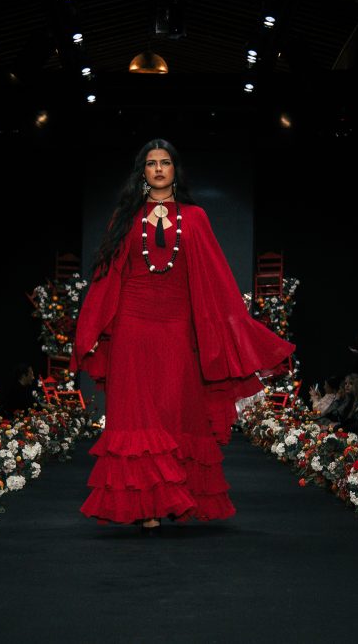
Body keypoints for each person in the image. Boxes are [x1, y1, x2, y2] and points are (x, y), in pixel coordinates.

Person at [71, 139, 294, 532]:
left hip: (177, 330)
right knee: (136, 417)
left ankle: (172, 499)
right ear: (142, 172)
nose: (158, 169)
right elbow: (107, 278)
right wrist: (90, 328)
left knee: (173, 413)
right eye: (151, 163)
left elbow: (215, 278)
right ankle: (146, 506)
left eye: (165, 162)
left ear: (175, 169)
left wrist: (233, 333)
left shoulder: (195, 217)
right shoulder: (125, 218)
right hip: (132, 330)